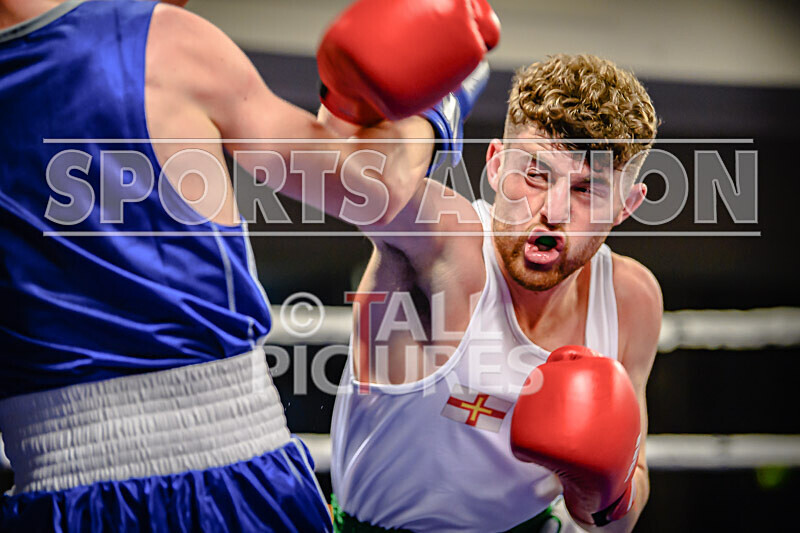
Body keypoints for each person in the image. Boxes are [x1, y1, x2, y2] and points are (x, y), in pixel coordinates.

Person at [0, 0, 497, 530]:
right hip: (226, 479)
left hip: (50, 501)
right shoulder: (164, 41)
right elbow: (376, 185)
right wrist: (431, 109)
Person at [328, 53, 662, 532]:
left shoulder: (630, 299)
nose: (554, 211)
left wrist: (603, 493)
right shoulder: (445, 247)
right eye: (535, 174)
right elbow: (339, 176)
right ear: (495, 164)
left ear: (626, 206)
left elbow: (616, 525)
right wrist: (426, 117)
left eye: (588, 189)